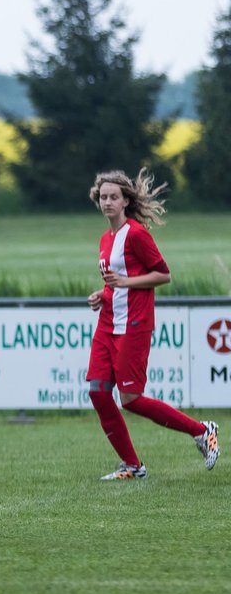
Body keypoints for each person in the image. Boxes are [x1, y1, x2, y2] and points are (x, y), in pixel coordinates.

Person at [85, 169, 219, 480]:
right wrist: (102, 295)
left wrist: (126, 282)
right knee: (98, 392)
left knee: (131, 400)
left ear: (125, 201)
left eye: (113, 197)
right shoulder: (106, 239)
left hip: (134, 325)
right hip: (108, 324)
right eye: (103, 197)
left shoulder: (136, 234)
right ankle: (133, 466)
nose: (107, 202)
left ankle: (202, 431)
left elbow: (163, 274)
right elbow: (114, 283)